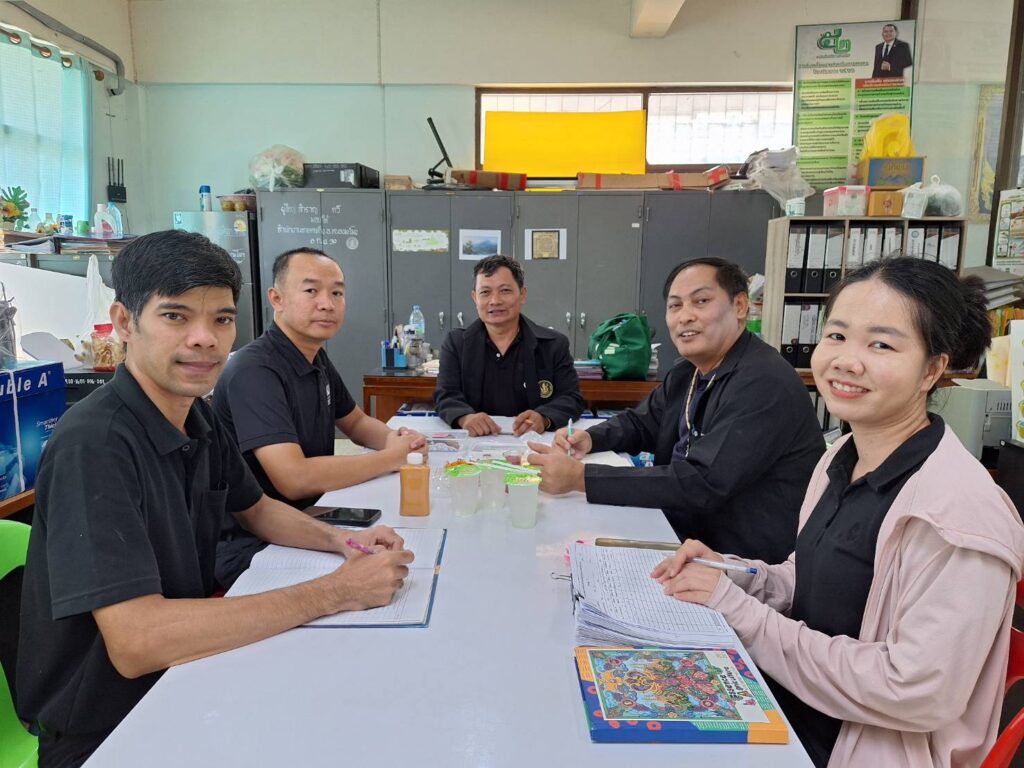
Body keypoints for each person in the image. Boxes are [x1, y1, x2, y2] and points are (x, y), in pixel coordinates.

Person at [17, 231, 414, 768]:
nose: (205, 339)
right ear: (125, 322)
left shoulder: (194, 414)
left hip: (184, 678)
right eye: (175, 316)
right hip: (108, 730)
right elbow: (137, 642)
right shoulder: (96, 444)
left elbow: (257, 508)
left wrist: (345, 541)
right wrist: (337, 591)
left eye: (222, 319)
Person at [653, 257, 1024, 768]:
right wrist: (734, 575)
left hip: (858, 750)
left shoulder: (959, 512)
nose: (847, 361)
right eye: (837, 336)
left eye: (881, 345)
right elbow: (808, 579)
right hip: (788, 707)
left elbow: (915, 692)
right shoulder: (841, 457)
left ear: (932, 370)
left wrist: (742, 614)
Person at [528, 258, 823, 563]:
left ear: (740, 306)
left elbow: (701, 482)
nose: (685, 316)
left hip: (738, 560)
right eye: (675, 306)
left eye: (701, 301)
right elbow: (642, 423)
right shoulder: (688, 372)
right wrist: (590, 438)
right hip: (679, 531)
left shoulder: (763, 381)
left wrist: (581, 478)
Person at [212, 247, 425, 587]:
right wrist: (390, 459)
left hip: (313, 516)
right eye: (311, 290)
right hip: (257, 541)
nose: (327, 303)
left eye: (337, 293)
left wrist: (396, 440)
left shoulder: (315, 358)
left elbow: (356, 422)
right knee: (387, 580)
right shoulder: (255, 371)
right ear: (276, 298)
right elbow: (293, 477)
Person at [434, 254, 584, 436]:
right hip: (474, 442)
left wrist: (544, 418)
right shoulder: (457, 344)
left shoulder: (553, 345)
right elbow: (446, 394)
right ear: (474, 298)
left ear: (522, 294)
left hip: (533, 442)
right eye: (485, 292)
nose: (495, 301)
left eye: (505, 290)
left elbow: (571, 398)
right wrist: (464, 417)